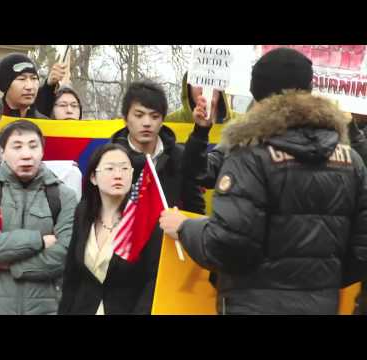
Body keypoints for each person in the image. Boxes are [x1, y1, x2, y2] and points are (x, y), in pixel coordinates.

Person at [160, 47, 367, 315]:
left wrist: (185, 228)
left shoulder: (249, 156)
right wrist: (317, 283)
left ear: (257, 95)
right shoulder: (351, 160)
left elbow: (227, 247)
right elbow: (361, 253)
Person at [0, 120, 78, 314]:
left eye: (33, 146)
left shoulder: (63, 196)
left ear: (42, 151)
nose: (26, 154)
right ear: (2, 151)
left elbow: (66, 253)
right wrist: (38, 241)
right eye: (17, 146)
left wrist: (14, 267)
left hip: (46, 308)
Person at [59, 143, 160, 314]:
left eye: (124, 168)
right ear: (93, 177)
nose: (118, 175)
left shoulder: (145, 219)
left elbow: (153, 281)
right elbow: (72, 275)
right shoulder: (83, 213)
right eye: (110, 168)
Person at [111, 79, 205, 214]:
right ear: (125, 119)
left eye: (154, 116)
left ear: (162, 120)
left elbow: (196, 212)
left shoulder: (180, 158)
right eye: (139, 115)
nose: (147, 123)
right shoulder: (108, 158)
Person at [0, 53, 46, 119]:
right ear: (5, 85)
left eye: (34, 78)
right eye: (22, 79)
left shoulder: (45, 123)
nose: (29, 87)